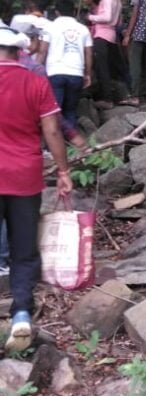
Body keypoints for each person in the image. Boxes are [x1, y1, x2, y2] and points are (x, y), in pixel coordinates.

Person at [0, 25, 72, 349]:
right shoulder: (35, 82)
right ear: (18, 52)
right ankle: (21, 315)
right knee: (24, 251)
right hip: (24, 177)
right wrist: (63, 170)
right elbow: (53, 132)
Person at [41, 0, 93, 148]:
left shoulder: (50, 27)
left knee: (54, 111)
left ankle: (54, 146)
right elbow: (88, 53)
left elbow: (43, 51)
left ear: (57, 12)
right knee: (70, 110)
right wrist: (88, 74)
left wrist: (36, 70)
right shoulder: (83, 29)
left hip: (55, 72)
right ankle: (71, 145)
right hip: (76, 73)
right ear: (73, 11)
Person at [85, 0, 123, 108]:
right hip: (111, 34)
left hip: (102, 35)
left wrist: (90, 17)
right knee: (114, 67)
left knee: (102, 68)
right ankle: (120, 95)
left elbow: (107, 17)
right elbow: (118, 20)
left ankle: (107, 99)